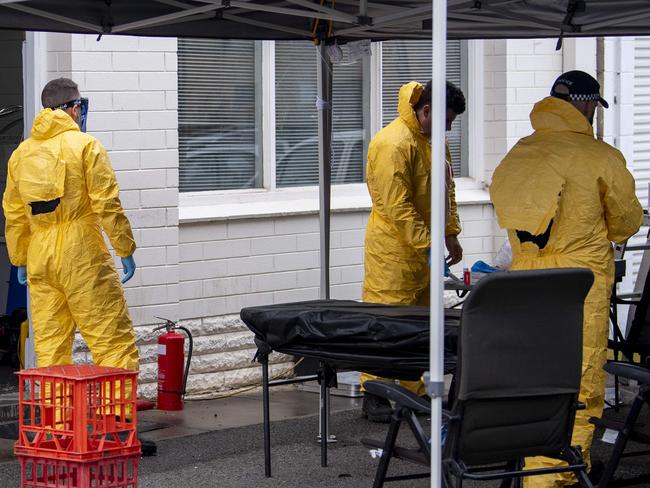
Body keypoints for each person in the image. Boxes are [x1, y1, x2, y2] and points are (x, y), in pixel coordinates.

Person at [490, 70, 643, 487]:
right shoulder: (599, 156)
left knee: (532, 380)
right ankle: (557, 477)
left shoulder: (521, 151)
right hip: (579, 286)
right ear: (589, 104)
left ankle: (529, 469)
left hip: (525, 284)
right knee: (577, 383)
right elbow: (626, 222)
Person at [1, 78, 155, 452]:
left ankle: (58, 431)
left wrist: (20, 257)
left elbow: (14, 212)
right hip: (81, 252)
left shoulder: (21, 154)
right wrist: (124, 248)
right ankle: (117, 429)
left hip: (40, 254)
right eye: (81, 106)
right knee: (111, 339)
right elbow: (106, 202)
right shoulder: (86, 146)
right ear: (74, 108)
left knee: (52, 345)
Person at [360, 80, 465, 422]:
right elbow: (397, 206)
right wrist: (431, 244)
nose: (449, 127)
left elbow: (446, 190)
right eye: (447, 119)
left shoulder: (434, 142)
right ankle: (373, 392)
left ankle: (412, 391)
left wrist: (450, 234)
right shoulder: (392, 144)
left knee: (421, 324)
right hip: (392, 252)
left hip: (422, 250)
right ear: (427, 110)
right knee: (386, 322)